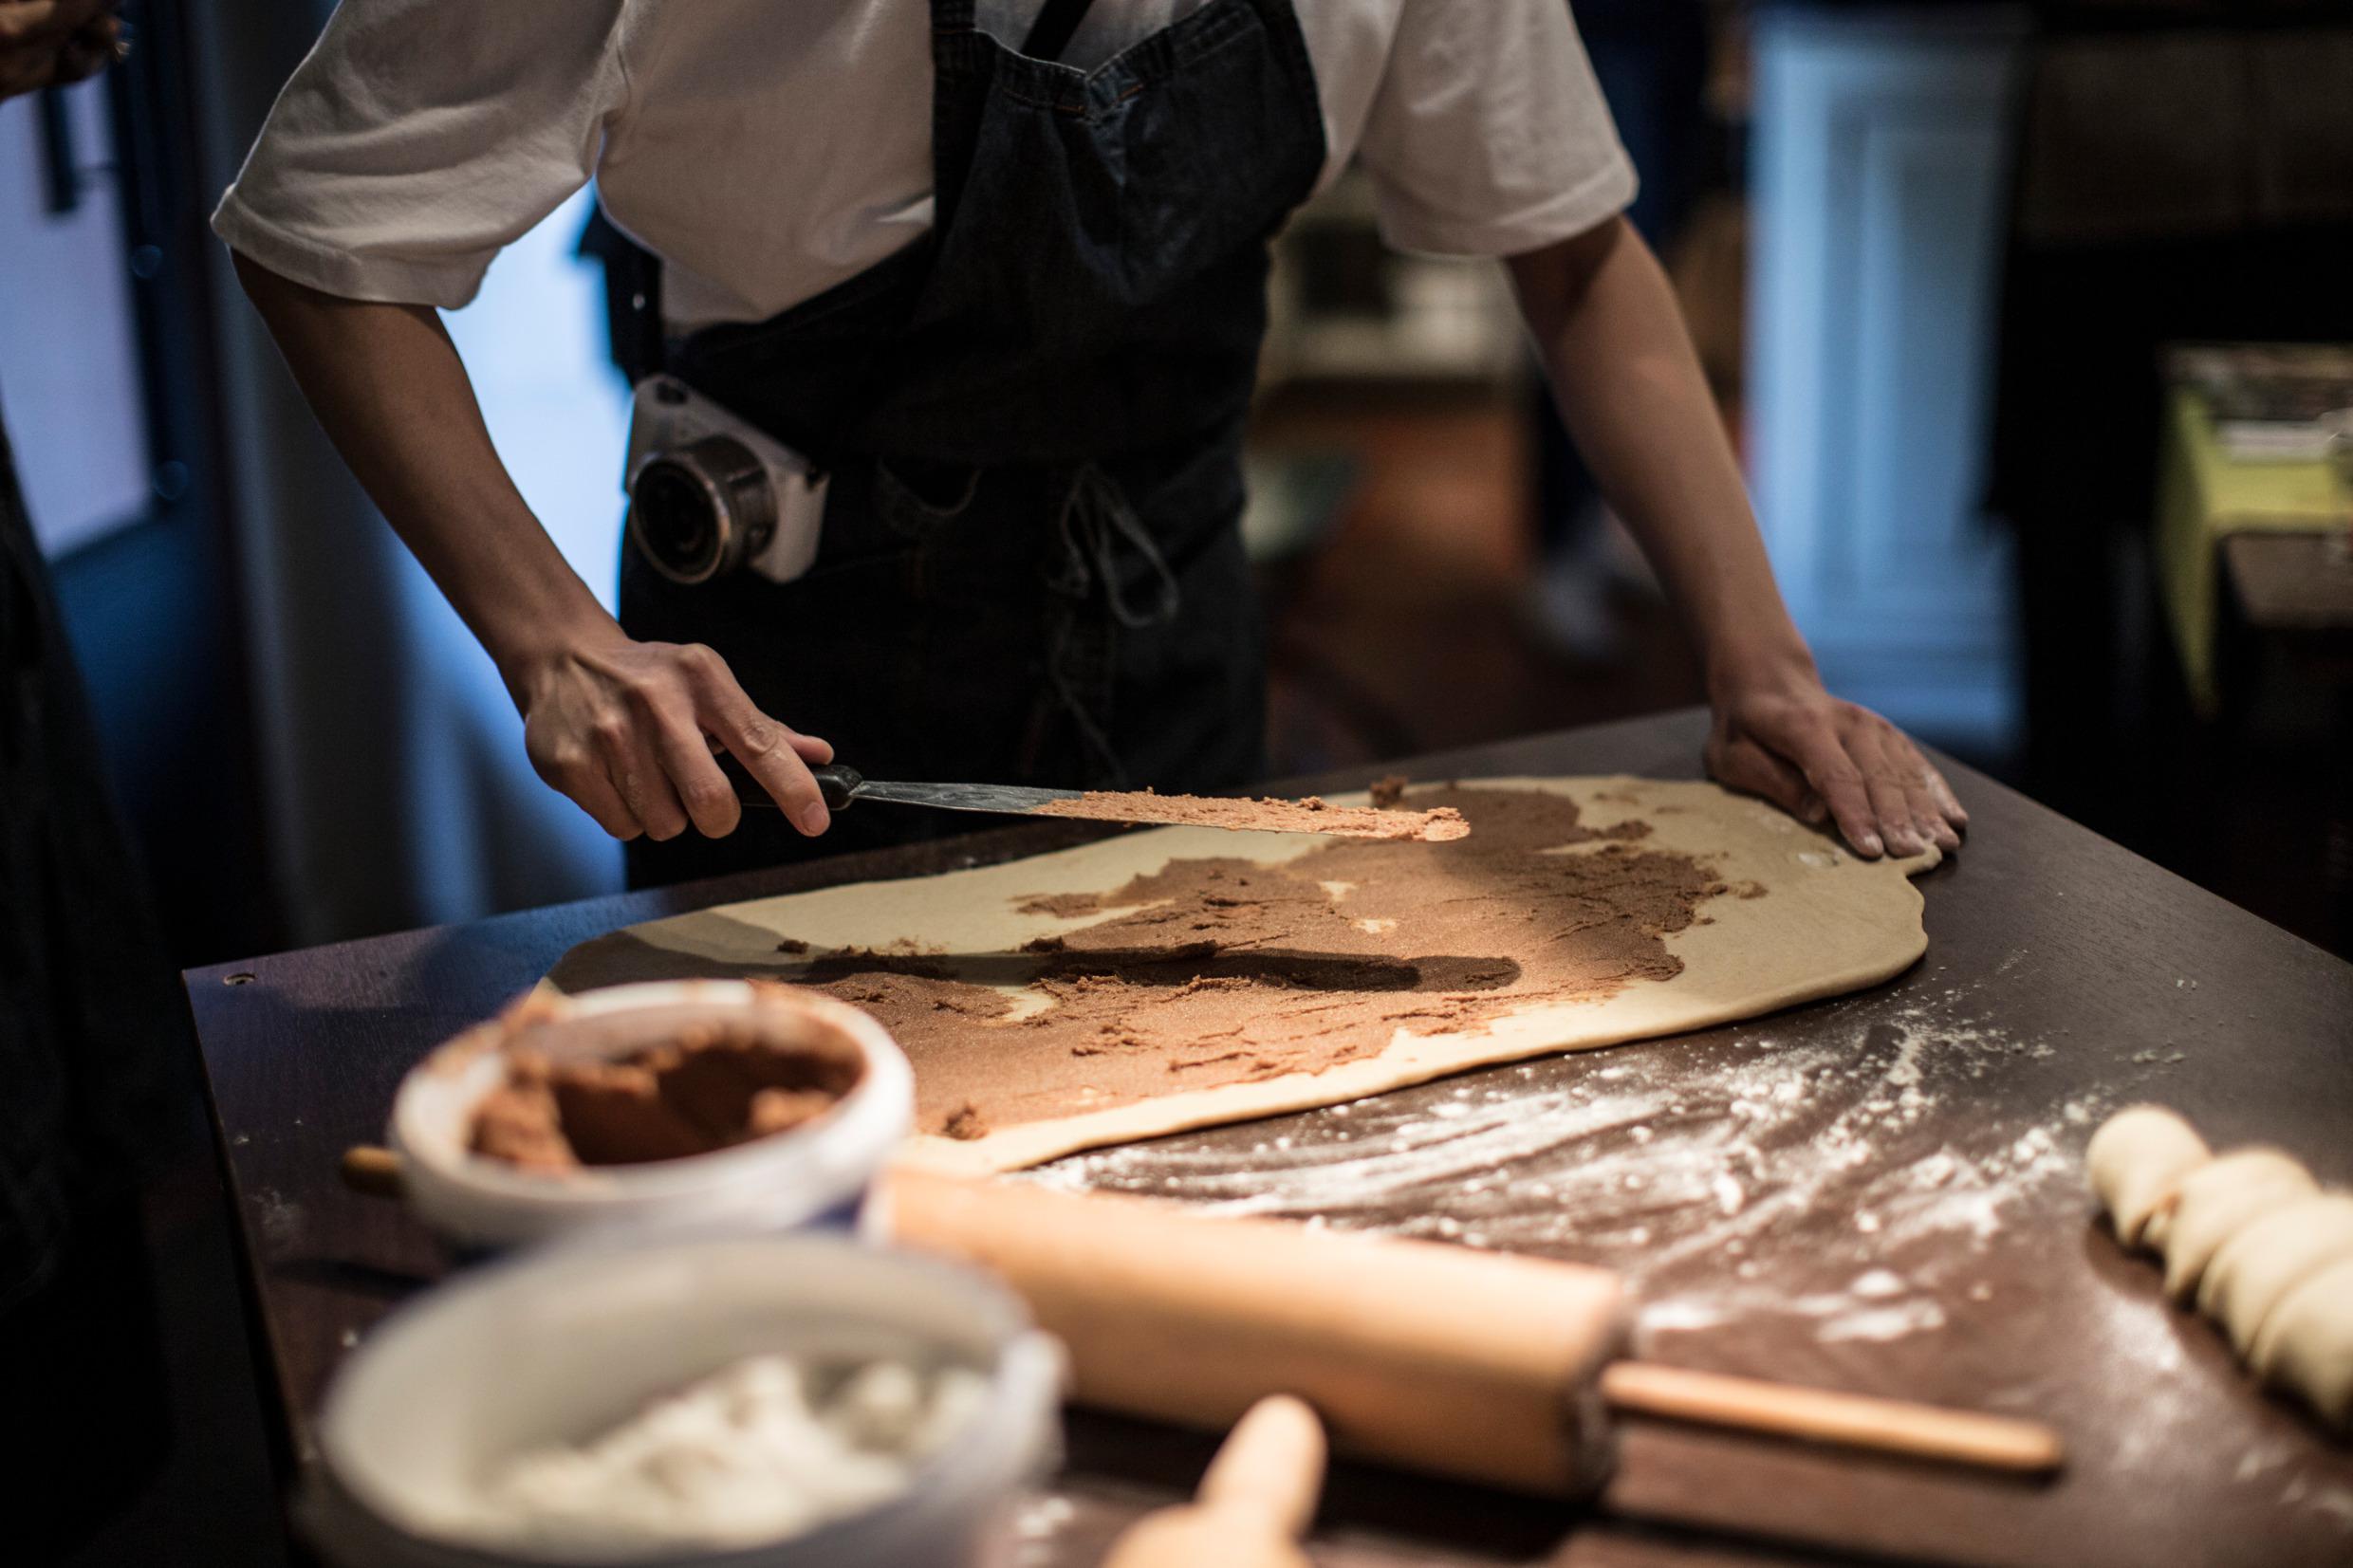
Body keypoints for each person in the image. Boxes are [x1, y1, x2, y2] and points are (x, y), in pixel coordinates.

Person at [216, 0, 1967, 892]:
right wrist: (556, 642)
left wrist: (1762, 661)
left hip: (1172, 616)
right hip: (792, 692)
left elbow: (1574, 256)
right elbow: (326, 233)